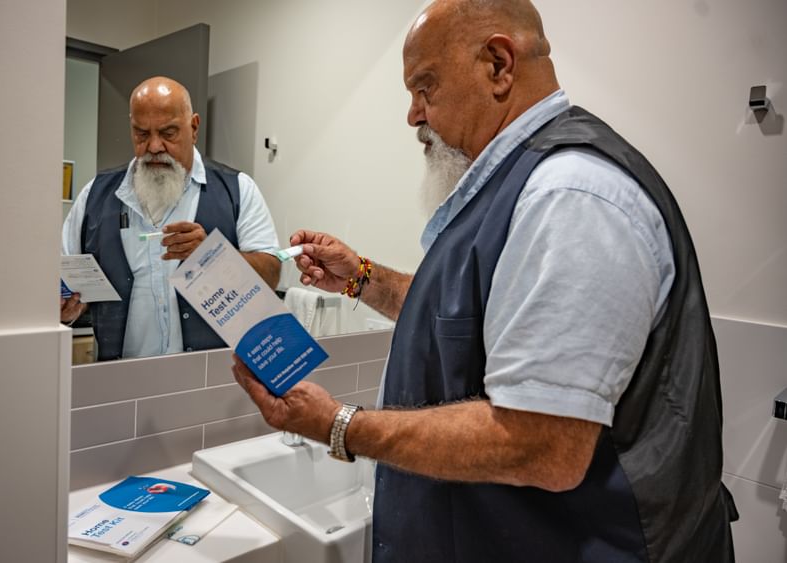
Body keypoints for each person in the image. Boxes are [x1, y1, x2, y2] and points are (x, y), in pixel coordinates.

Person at [230, 1, 738, 561]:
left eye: (425, 88)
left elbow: (540, 444)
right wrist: (363, 280)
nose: (413, 116)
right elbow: (466, 321)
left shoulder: (567, 196)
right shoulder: (519, 186)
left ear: (499, 65)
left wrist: (339, 425)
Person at [62, 76, 280, 361]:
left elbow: (271, 275)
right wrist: (69, 308)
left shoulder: (238, 190)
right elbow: (66, 279)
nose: (154, 146)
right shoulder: (95, 195)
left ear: (194, 127)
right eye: (141, 133)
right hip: (121, 385)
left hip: (211, 381)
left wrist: (213, 257)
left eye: (168, 133)